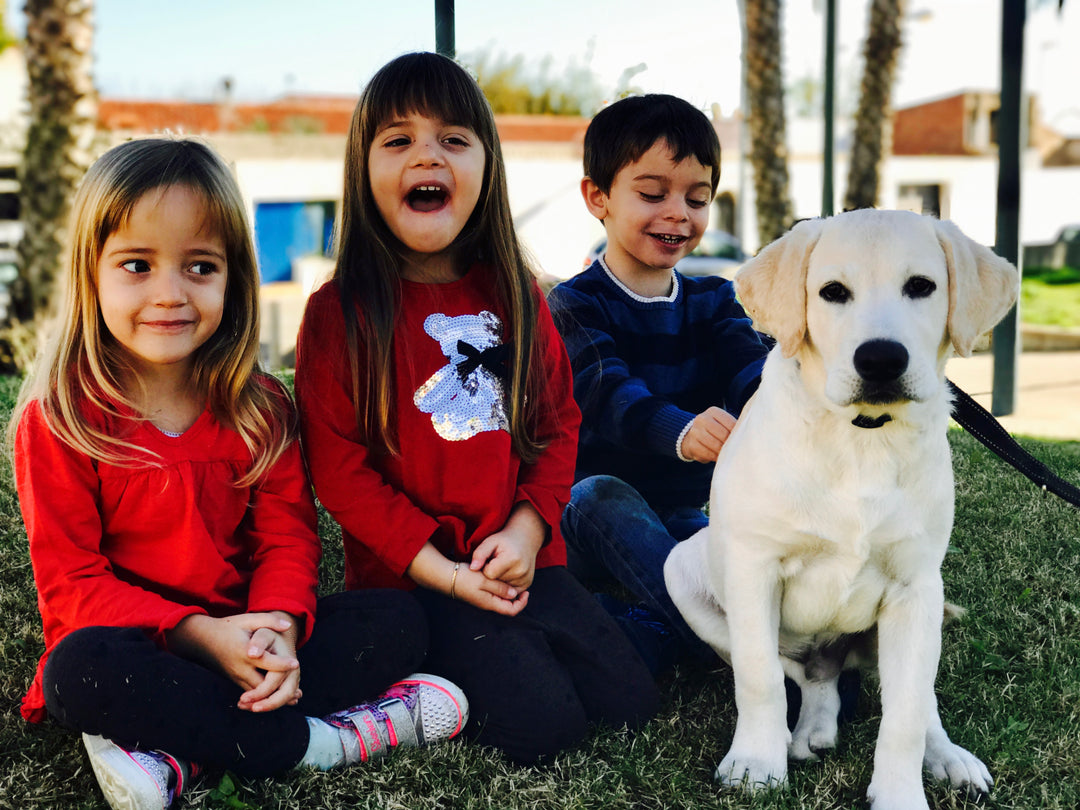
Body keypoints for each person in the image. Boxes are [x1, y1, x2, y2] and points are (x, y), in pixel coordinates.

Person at [11, 137, 468, 810]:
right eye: (136, 265)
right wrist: (202, 635)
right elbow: (72, 586)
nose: (169, 294)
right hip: (139, 646)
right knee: (78, 675)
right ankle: (318, 742)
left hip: (249, 636)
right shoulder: (60, 420)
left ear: (233, 278)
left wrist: (276, 627)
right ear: (90, 273)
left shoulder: (261, 408)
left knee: (400, 620)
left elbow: (287, 538)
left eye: (200, 266)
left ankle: (176, 750)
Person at [294, 52, 658, 765]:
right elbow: (341, 476)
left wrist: (525, 535)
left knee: (629, 700)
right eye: (397, 140)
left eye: (454, 139)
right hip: (420, 583)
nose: (427, 153)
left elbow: (558, 429)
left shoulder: (519, 295)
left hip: (525, 562)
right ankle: (412, 691)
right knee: (541, 727)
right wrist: (450, 575)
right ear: (362, 171)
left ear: (486, 167)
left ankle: (545, 639)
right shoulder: (338, 315)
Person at [546, 94, 770, 675]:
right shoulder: (573, 304)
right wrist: (683, 430)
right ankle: (747, 660)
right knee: (599, 492)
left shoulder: (716, 300)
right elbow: (605, 393)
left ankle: (659, 632)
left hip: (675, 512)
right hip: (581, 519)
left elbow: (754, 373)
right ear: (597, 197)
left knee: (731, 552)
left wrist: (779, 399)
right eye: (652, 194)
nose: (678, 214)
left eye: (697, 199)